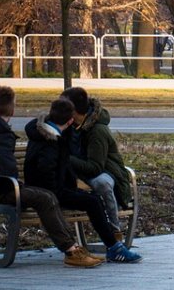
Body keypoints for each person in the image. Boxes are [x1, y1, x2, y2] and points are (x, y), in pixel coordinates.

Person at [0, 86, 102, 268]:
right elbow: (8, 168)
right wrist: (17, 186)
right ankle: (72, 251)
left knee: (45, 195)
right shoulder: (0, 134)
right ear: (13, 108)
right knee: (45, 197)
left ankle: (74, 248)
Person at [25, 97, 141, 263]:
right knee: (92, 201)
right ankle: (114, 247)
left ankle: (113, 245)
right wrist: (64, 190)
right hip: (48, 191)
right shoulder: (50, 140)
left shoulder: (49, 131)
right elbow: (46, 172)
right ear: (70, 120)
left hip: (54, 187)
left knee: (92, 200)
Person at [60, 86, 135, 250]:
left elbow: (95, 167)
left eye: (64, 107)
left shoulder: (97, 130)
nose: (60, 111)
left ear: (74, 110)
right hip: (79, 170)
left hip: (104, 171)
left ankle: (115, 231)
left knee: (102, 183)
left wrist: (66, 158)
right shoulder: (70, 126)